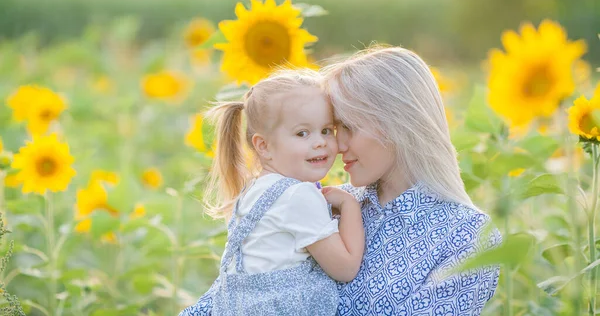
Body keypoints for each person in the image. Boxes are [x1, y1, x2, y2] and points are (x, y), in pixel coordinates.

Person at [321, 47, 501, 315]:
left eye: (348, 126)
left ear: (397, 122)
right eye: (334, 129)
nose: (337, 145)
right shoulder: (331, 206)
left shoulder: (468, 235)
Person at [179, 69, 365, 316]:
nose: (320, 142)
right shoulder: (298, 196)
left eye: (326, 130)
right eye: (302, 133)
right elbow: (345, 269)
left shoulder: (255, 189)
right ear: (263, 146)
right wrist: (350, 205)